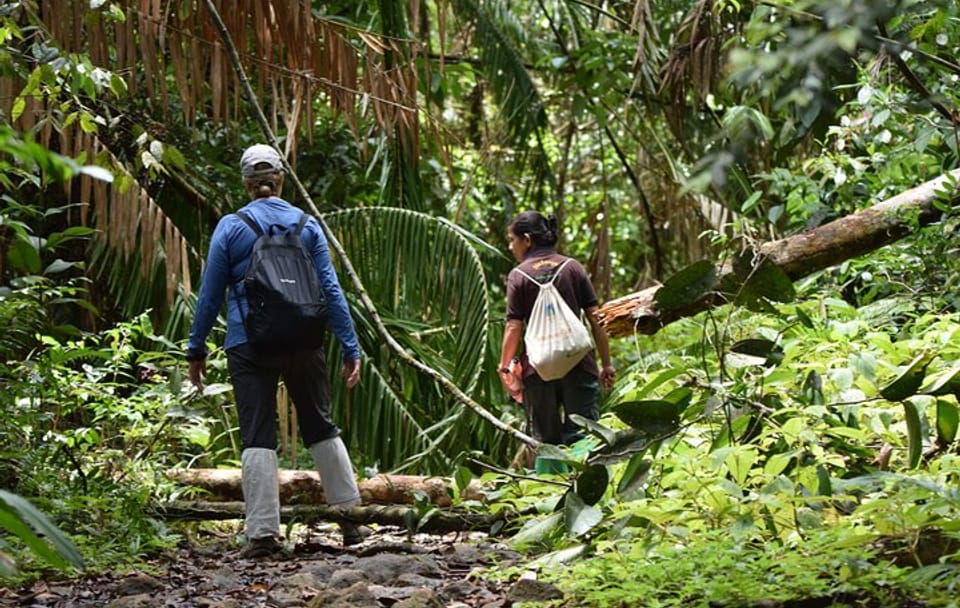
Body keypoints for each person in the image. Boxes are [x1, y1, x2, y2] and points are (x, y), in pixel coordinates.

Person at [185, 144, 369, 558]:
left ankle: (264, 534)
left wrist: (196, 350)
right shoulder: (308, 226)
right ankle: (351, 522)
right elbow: (331, 291)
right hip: (305, 342)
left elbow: (210, 294)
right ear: (281, 179)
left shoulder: (231, 228)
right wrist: (349, 345)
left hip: (248, 344)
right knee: (321, 425)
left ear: (247, 184)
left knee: (257, 433)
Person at [498, 211, 615, 454]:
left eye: (512, 239)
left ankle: (546, 487)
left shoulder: (518, 276)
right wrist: (606, 363)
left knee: (544, 444)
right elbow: (596, 319)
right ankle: (584, 488)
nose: (510, 246)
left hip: (538, 371)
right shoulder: (573, 268)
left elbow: (514, 326)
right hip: (579, 364)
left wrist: (505, 366)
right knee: (585, 437)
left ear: (527, 239)